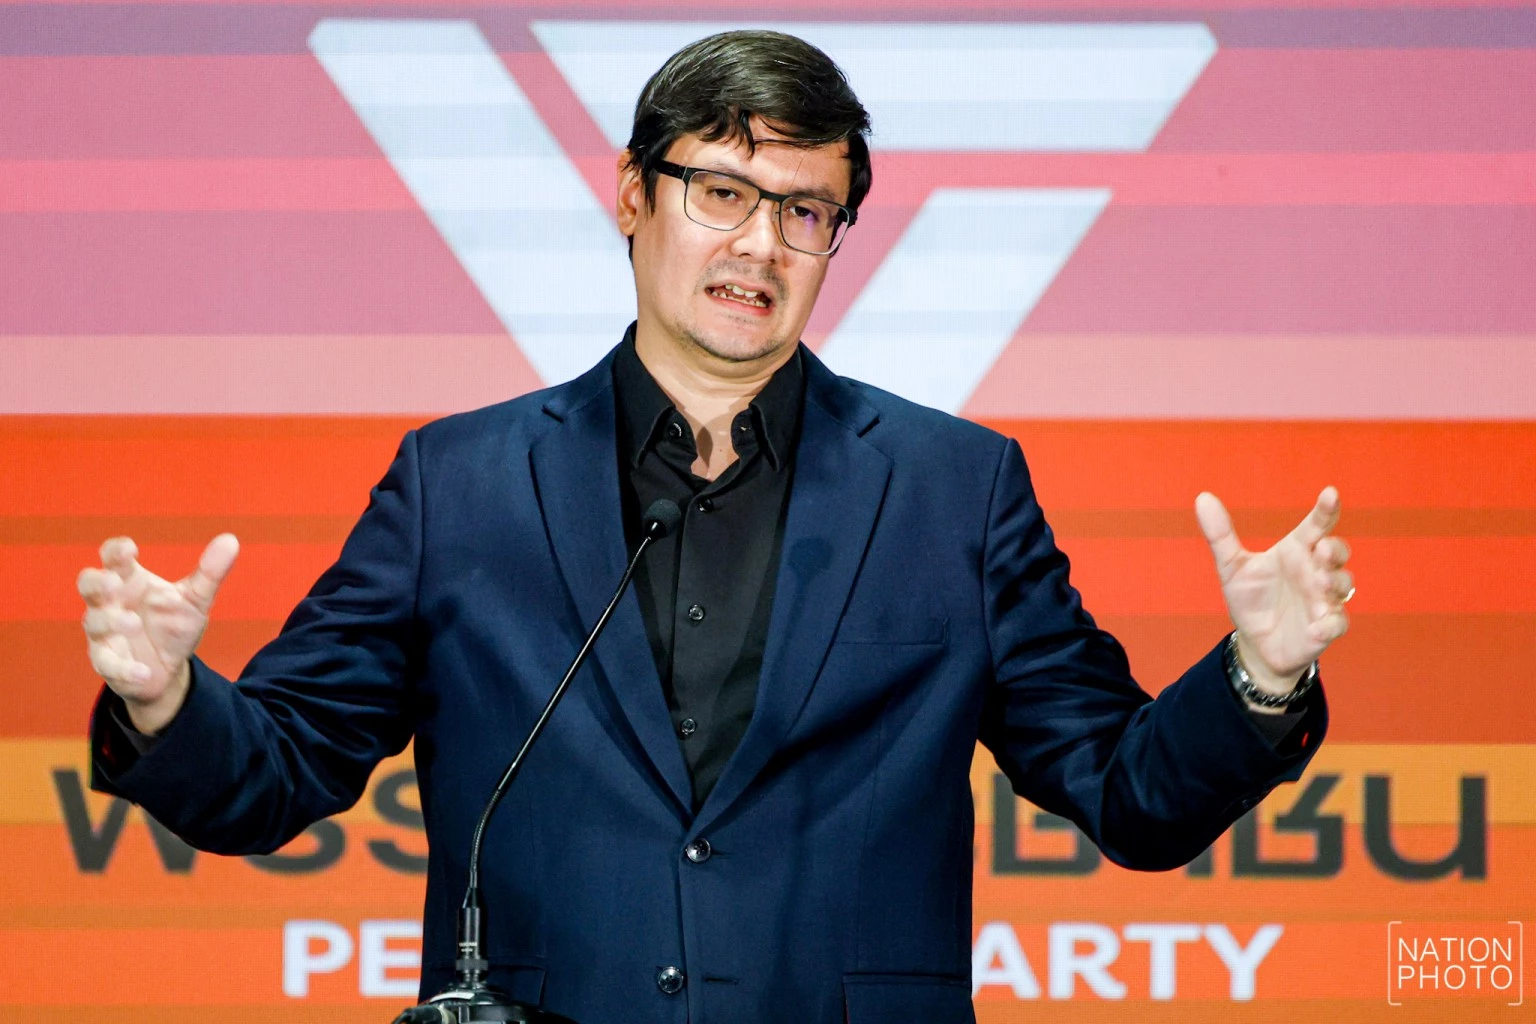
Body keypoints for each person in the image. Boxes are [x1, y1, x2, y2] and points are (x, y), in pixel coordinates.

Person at [77, 29, 1352, 1024]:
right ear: (633, 195)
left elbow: (1128, 793)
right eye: (723, 192)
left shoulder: (952, 490)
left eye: (806, 211)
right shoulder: (457, 484)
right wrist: (164, 699)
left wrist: (1260, 673)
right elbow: (280, 770)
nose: (761, 245)